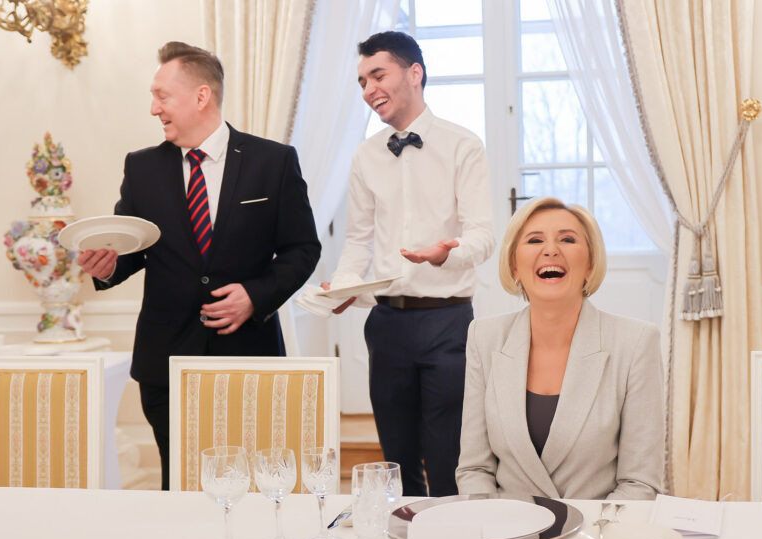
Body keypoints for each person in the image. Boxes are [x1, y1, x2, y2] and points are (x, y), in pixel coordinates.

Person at [78, 42, 320, 489]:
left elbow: (303, 249)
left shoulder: (273, 162)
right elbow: (132, 247)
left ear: (201, 96)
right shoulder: (142, 167)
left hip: (249, 355)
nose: (154, 108)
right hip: (165, 361)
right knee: (180, 484)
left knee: (253, 485)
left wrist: (255, 296)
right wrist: (106, 265)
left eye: (162, 96)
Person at [326, 31, 495, 497]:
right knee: (396, 461)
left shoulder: (463, 145)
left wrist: (448, 253)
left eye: (377, 75)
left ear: (414, 73)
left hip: (448, 323)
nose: (368, 89)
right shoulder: (365, 155)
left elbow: (483, 235)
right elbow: (357, 241)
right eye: (362, 81)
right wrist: (344, 286)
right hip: (387, 326)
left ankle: (452, 536)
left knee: (447, 457)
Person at [455, 197, 664, 500]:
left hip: (598, 528)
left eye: (567, 239)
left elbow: (639, 483)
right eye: (534, 240)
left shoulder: (637, 343)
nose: (551, 250)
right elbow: (475, 470)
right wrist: (491, 523)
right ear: (514, 265)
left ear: (590, 264)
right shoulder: (484, 337)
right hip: (506, 527)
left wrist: (592, 530)